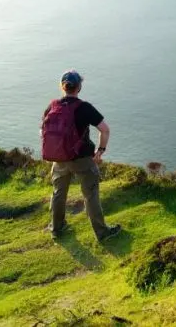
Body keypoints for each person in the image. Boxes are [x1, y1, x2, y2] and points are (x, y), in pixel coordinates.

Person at [41, 70, 121, 241]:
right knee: (90, 194)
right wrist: (100, 151)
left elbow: (43, 131)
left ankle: (56, 228)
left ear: (62, 87)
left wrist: (57, 150)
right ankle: (102, 233)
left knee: (58, 193)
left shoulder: (52, 106)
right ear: (79, 87)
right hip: (82, 159)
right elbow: (105, 130)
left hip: (59, 159)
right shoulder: (84, 107)